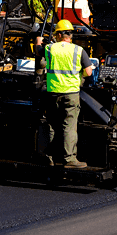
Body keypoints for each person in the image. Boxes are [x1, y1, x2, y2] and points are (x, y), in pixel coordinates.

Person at [35, 19, 94, 168]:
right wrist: (80, 78)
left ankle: (48, 158)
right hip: (71, 94)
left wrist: (38, 42)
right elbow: (88, 71)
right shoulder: (79, 50)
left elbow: (39, 56)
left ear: (59, 34)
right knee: (69, 126)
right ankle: (70, 160)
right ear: (70, 35)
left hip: (53, 93)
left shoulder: (49, 48)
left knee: (51, 126)